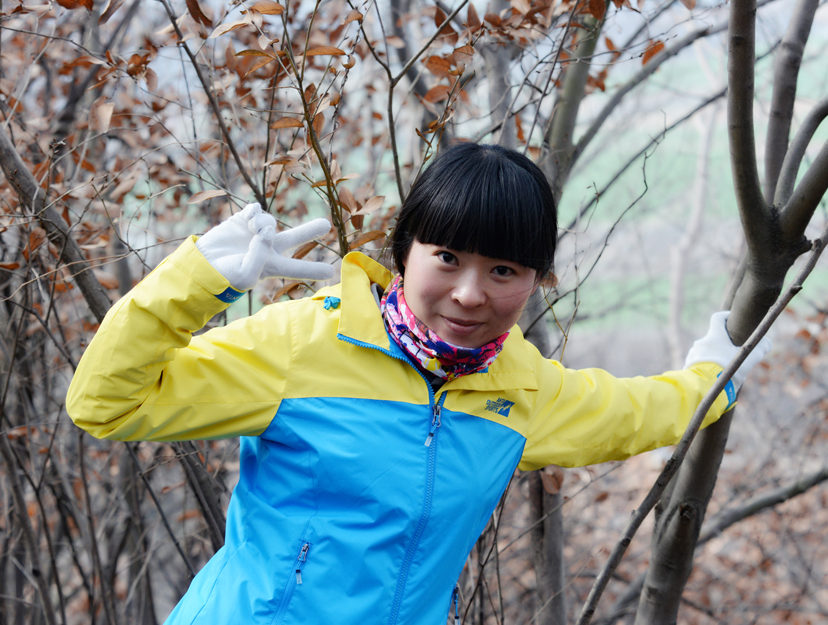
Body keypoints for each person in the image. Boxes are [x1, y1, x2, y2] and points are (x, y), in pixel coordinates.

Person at [66, 142, 770, 625]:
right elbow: (107, 403)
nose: (469, 294)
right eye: (446, 257)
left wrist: (715, 378)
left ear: (533, 280)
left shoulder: (519, 390)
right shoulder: (303, 344)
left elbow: (628, 413)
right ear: (402, 251)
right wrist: (197, 281)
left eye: (503, 271)